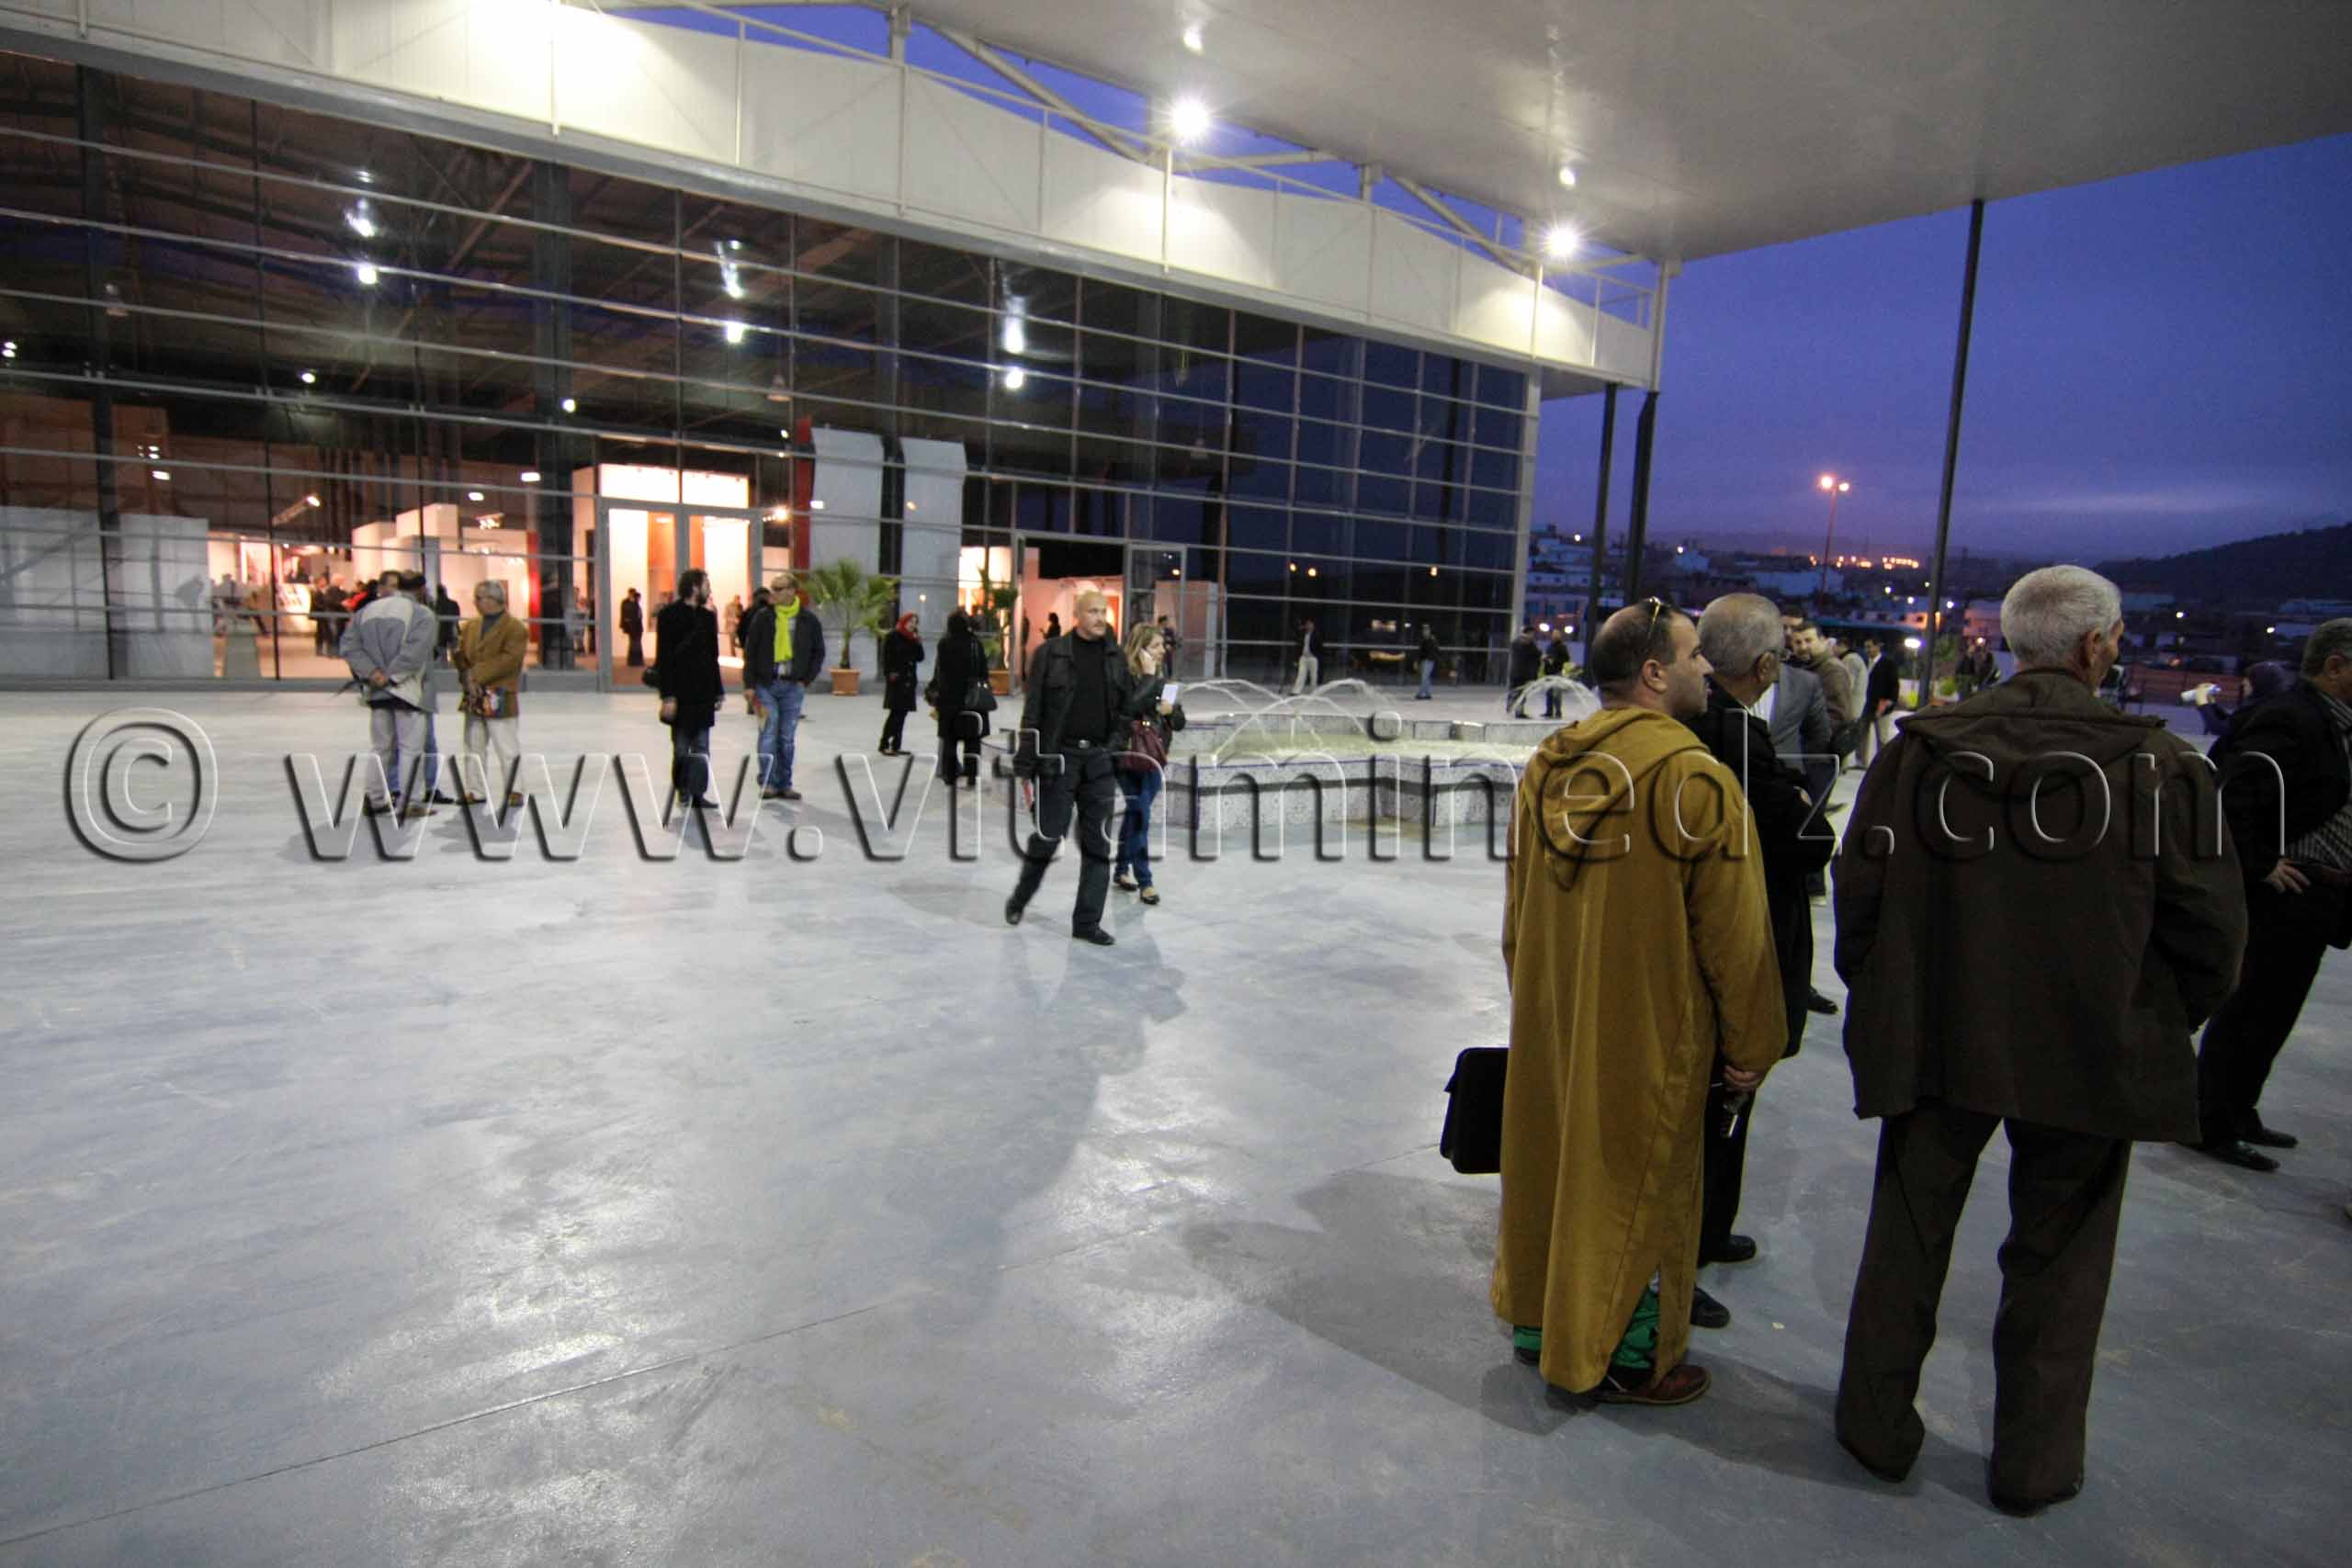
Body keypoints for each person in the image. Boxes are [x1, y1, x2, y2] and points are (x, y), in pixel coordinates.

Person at [1831, 565, 2245, 1516]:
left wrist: (1892, 995)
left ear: (2014, 644)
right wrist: (2154, 1015)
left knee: (1906, 1233)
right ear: (2095, 646)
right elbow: (2214, 933)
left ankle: (1872, 1427)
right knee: (2062, 1261)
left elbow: (1860, 896)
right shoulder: (2161, 766)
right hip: (2093, 1045)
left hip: (1938, 1032)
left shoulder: (1919, 752)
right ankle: (2033, 1464)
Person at [1492, 598, 1785, 1406]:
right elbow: (1738, 939)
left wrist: (1539, 1003)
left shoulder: (1547, 765)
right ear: (1654, 673)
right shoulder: (1695, 778)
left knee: (1555, 1166)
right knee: (1639, 1188)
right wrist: (1752, 1045)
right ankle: (1623, 1354)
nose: (1705, 667)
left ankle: (1539, 1321)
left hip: (1557, 1016)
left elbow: (1517, 915)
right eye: (1692, 656)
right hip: (1655, 1031)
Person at [1683, 595, 1838, 1327]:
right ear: (1768, 665)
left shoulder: (1698, 723)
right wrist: (1807, 808)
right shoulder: (1731, 731)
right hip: (1740, 942)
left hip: (1713, 940)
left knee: (1724, 1100)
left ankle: (1708, 1232)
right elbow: (1804, 837)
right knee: (1721, 1100)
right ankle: (1686, 1254)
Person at [2189, 617, 2352, 1170]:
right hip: (2284, 892)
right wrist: (2261, 864)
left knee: (2277, 1009)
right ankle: (2209, 1120)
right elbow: (2231, 795)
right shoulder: (2291, 717)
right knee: (2249, 1007)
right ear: (2335, 666)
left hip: (2317, 894)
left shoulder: (2331, 723)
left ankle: (2239, 1110)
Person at [1007, 590, 1167, 947]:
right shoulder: (1050, 654)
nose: (1099, 617)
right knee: (1048, 837)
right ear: (1077, 614)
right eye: (1092, 611)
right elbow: (1032, 712)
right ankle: (1020, 898)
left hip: (1099, 760)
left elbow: (1128, 709)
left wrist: (1148, 680)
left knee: (1098, 845)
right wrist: (1026, 766)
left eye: (1103, 611)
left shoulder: (1115, 658)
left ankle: (1087, 922)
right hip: (1059, 758)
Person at [339, 569, 437, 819]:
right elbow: (415, 653)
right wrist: (391, 676)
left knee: (380, 748)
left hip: (376, 691)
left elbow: (349, 647)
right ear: (421, 589)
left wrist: (372, 673)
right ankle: (411, 802)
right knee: (410, 749)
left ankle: (374, 799)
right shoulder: (422, 614)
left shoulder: (366, 612)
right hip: (408, 691)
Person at [1114, 622, 1186, 906]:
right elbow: (1129, 707)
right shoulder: (1124, 677)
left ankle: (1121, 869)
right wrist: (1147, 677)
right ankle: (1145, 881)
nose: (1162, 650)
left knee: (1135, 814)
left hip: (1155, 756)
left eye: (1162, 645)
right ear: (1140, 649)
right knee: (1141, 815)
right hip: (1128, 756)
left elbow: (1179, 722)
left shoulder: (1164, 680)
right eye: (1155, 646)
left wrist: (1170, 712)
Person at [740, 573, 823, 801]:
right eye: (773, 588)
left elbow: (818, 652)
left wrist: (806, 679)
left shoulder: (807, 620)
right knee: (768, 732)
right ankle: (768, 782)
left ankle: (785, 783)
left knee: (786, 737)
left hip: (793, 687)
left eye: (779, 589)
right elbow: (750, 652)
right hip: (765, 685)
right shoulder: (763, 617)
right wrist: (749, 684)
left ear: (792, 591)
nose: (773, 593)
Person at [452, 580, 526, 810]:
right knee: (473, 744)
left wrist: (476, 675)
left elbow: (510, 659)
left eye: (479, 598)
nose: (475, 602)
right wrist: (466, 676)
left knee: (506, 746)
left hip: (500, 693)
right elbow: (461, 654)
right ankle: (475, 790)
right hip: (473, 694)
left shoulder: (515, 628)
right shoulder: (470, 626)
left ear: (494, 600)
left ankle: (515, 790)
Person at [654, 569, 724, 812]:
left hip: (703, 693)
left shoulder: (708, 617)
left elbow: (713, 657)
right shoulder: (668, 615)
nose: (709, 589)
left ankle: (697, 794)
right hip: (680, 693)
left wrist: (718, 691)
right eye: (706, 584)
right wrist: (668, 695)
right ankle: (683, 791)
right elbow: (664, 659)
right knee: (682, 747)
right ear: (694, 586)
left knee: (702, 747)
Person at [929, 609, 990, 787]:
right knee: (972, 739)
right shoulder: (975, 644)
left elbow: (940, 671)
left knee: (950, 738)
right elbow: (983, 671)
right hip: (972, 698)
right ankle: (971, 775)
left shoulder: (944, 644)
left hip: (949, 698)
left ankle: (949, 775)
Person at [878, 612, 924, 756]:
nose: (913, 624)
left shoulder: (913, 638)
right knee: (895, 714)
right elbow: (885, 658)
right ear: (904, 622)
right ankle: (884, 744)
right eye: (910, 621)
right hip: (897, 680)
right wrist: (890, 674)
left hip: (909, 681)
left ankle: (896, 745)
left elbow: (920, 658)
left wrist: (918, 643)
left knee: (902, 714)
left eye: (915, 622)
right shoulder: (893, 636)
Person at [1506, 622, 1542, 714]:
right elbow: (1536, 654)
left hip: (1518, 672)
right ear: (1528, 633)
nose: (1533, 636)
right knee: (1520, 692)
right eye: (1532, 634)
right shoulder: (1527, 644)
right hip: (1522, 673)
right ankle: (1518, 711)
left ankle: (1512, 708)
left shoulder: (1518, 642)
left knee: (1516, 691)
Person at [1539, 632, 1571, 718]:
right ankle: (1549, 711)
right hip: (1549, 671)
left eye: (1556, 636)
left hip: (1557, 671)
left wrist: (1555, 661)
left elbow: (1566, 658)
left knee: (1556, 693)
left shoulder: (1562, 647)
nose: (1554, 637)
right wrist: (1546, 659)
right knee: (1549, 692)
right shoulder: (1550, 646)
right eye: (1553, 636)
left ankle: (1558, 711)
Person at [1289, 617, 1320, 694]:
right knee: (1301, 674)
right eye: (1307, 624)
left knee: (1313, 676)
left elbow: (1320, 646)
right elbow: (1298, 645)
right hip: (1303, 657)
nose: (1308, 626)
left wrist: (1316, 655)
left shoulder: (1317, 635)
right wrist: (1296, 659)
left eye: (1310, 624)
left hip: (1312, 658)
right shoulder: (1302, 634)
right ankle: (1296, 691)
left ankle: (1314, 691)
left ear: (1313, 625)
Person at [431, 582, 460, 661]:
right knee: (455, 655)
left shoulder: (434, 604)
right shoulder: (453, 603)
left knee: (442, 658)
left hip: (440, 633)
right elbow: (457, 618)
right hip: (451, 631)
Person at [619, 587, 644, 668]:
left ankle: (634, 661)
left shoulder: (634, 605)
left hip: (635, 628)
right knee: (635, 644)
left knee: (634, 644)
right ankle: (635, 661)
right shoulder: (630, 604)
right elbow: (625, 616)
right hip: (634, 628)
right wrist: (624, 626)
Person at [1416, 624, 1441, 700]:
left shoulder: (1432, 639)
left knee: (1424, 677)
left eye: (1427, 630)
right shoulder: (1423, 640)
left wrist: (1432, 658)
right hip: (1424, 661)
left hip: (1430, 661)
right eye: (1424, 630)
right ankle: (1428, 694)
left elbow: (1436, 650)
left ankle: (1420, 693)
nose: (1425, 632)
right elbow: (1421, 651)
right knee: (1426, 678)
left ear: (1429, 631)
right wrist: (1419, 661)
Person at [1157, 614, 1183, 680]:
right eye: (1166, 621)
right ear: (1162, 622)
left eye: (1167, 621)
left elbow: (1173, 640)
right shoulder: (1155, 630)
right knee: (1159, 665)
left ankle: (1170, 677)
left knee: (1169, 664)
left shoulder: (1169, 631)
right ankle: (1159, 678)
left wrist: (1173, 644)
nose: (1167, 623)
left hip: (1167, 651)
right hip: (1158, 652)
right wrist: (1165, 640)